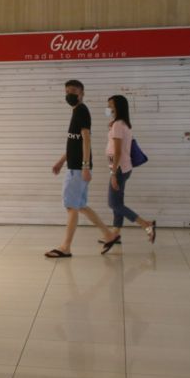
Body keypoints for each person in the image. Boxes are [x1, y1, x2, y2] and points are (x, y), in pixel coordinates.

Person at [46, 80, 116, 258]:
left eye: (74, 91)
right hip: (75, 166)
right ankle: (109, 235)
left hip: (78, 168)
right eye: (67, 91)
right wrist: (61, 161)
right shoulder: (77, 111)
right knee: (81, 206)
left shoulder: (81, 111)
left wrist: (85, 166)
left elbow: (86, 139)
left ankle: (65, 247)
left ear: (82, 93)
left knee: (71, 207)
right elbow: (74, 142)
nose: (70, 94)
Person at [100, 95, 155, 253]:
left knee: (114, 204)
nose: (108, 109)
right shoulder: (121, 124)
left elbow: (117, 151)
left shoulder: (118, 124)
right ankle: (115, 234)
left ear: (118, 107)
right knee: (117, 203)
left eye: (110, 106)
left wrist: (113, 173)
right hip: (122, 167)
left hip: (119, 169)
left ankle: (146, 224)